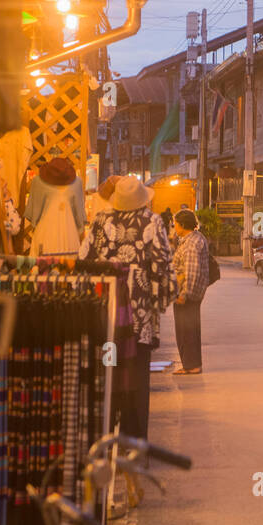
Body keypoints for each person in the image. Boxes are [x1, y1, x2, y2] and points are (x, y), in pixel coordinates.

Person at [79, 175, 176, 439]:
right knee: (136, 379)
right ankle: (134, 441)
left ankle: (106, 435)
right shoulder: (153, 221)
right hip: (140, 320)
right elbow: (163, 266)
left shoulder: (100, 220)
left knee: (108, 372)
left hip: (106, 315)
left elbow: (83, 260)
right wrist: (160, 302)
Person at [171, 209, 212, 375]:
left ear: (182, 225)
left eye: (175, 224)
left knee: (186, 330)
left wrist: (184, 294)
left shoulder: (191, 244)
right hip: (190, 292)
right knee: (188, 329)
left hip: (187, 294)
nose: (174, 226)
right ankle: (191, 364)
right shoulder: (195, 238)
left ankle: (192, 365)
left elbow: (192, 271)